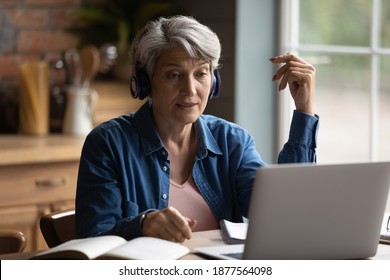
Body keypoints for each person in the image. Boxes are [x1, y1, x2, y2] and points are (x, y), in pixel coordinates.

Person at [75, 15, 319, 243]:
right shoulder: (108, 144)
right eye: (174, 75)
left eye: (201, 73)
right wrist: (142, 225)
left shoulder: (232, 141)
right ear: (145, 82)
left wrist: (303, 110)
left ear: (214, 81)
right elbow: (94, 238)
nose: (190, 89)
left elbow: (284, 212)